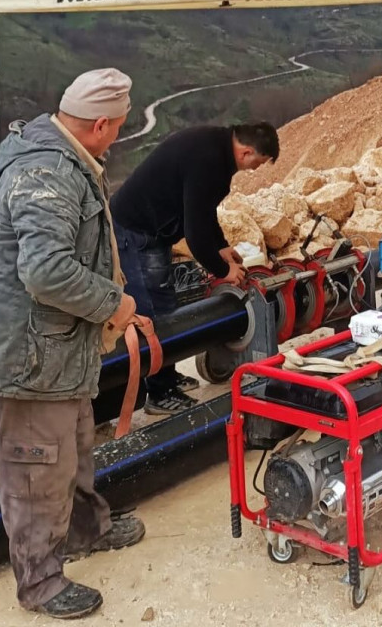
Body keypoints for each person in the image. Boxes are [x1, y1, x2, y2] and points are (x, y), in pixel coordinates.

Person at [0, 69, 142, 620]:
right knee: (36, 470)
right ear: (101, 123)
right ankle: (41, 583)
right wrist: (115, 304)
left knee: (75, 443)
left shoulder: (61, 152)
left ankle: (86, 529)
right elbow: (46, 271)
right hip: (24, 359)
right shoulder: (48, 172)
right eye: (119, 126)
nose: (119, 135)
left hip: (53, 352)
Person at [110, 121, 279, 414]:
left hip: (154, 230)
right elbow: (195, 230)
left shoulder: (217, 146)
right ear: (247, 152)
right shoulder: (209, 160)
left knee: (164, 305)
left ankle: (167, 374)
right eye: (259, 163)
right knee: (151, 313)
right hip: (136, 232)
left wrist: (222, 246)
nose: (256, 169)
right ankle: (158, 394)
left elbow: (203, 208)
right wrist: (222, 270)